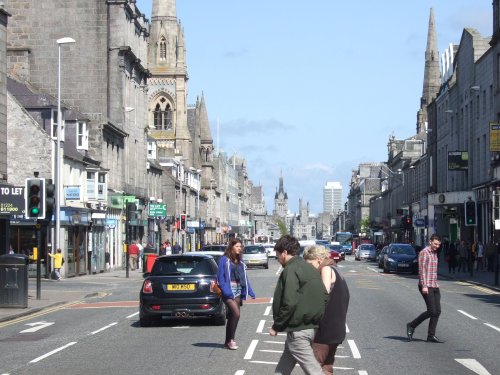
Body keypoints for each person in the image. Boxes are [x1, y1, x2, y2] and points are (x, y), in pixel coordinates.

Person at [269, 235, 328, 375]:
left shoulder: (291, 270)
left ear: (284, 252)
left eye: (277, 255)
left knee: (314, 371)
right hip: (309, 327)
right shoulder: (309, 268)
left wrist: (276, 326)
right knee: (283, 368)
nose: (277, 259)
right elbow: (325, 296)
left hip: (298, 331)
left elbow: (289, 302)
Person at [304, 245, 349, 375]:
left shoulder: (326, 269)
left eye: (309, 263)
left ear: (318, 259)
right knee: (327, 368)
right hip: (337, 329)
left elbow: (322, 296)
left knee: (314, 368)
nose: (308, 267)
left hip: (325, 330)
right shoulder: (336, 270)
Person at [217, 238, 255, 350]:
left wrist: (250, 291)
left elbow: (245, 278)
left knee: (234, 316)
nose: (239, 248)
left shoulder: (240, 261)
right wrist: (226, 291)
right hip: (228, 290)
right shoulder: (224, 260)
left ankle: (228, 340)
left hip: (238, 289)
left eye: (240, 246)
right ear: (231, 247)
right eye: (237, 246)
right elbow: (220, 278)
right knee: (236, 313)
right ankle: (231, 340)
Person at [406, 234, 443, 343]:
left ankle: (431, 336)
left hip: (434, 285)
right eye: (435, 244)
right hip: (426, 285)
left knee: (437, 311)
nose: (437, 246)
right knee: (432, 311)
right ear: (430, 241)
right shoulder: (424, 253)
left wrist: (436, 283)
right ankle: (411, 325)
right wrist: (424, 286)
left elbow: (433, 270)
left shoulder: (434, 253)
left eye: (438, 245)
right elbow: (422, 270)